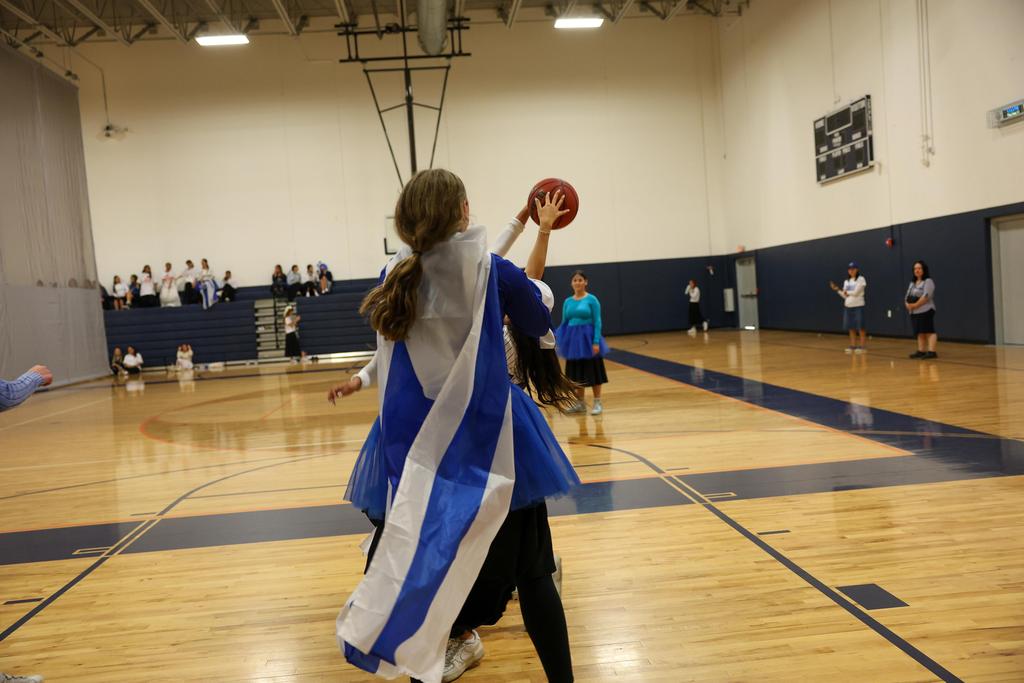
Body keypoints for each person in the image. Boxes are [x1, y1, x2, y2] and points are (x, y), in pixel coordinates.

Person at [331, 170, 576, 683]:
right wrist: (536, 257)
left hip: (417, 445)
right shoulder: (492, 272)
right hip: (489, 437)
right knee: (534, 573)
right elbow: (538, 324)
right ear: (463, 212)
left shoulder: (392, 275)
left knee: (425, 573)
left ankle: (437, 652)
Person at [556, 270, 609, 416]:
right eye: (575, 280)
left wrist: (596, 341)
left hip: (588, 340)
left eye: (580, 280)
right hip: (573, 341)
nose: (577, 282)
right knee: (576, 372)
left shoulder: (592, 299)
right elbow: (564, 322)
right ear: (571, 283)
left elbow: (597, 321)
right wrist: (558, 338)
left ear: (585, 282)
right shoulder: (568, 301)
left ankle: (597, 402)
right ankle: (580, 404)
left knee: (593, 370)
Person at [829, 261, 867, 353]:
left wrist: (847, 292)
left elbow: (856, 292)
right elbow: (845, 296)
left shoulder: (861, 279)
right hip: (848, 306)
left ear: (857, 270)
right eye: (849, 269)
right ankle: (853, 346)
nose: (851, 271)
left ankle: (862, 347)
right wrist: (837, 290)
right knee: (851, 327)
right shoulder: (846, 281)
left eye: (853, 269)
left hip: (858, 306)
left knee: (860, 327)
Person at [906, 260, 938, 359]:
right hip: (914, 312)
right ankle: (921, 351)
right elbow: (907, 295)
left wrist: (915, 305)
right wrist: (907, 304)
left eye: (919, 268)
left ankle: (932, 352)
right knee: (920, 332)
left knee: (928, 331)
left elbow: (926, 296)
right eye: (915, 269)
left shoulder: (928, 281)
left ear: (924, 269)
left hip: (926, 310)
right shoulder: (912, 283)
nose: (917, 270)